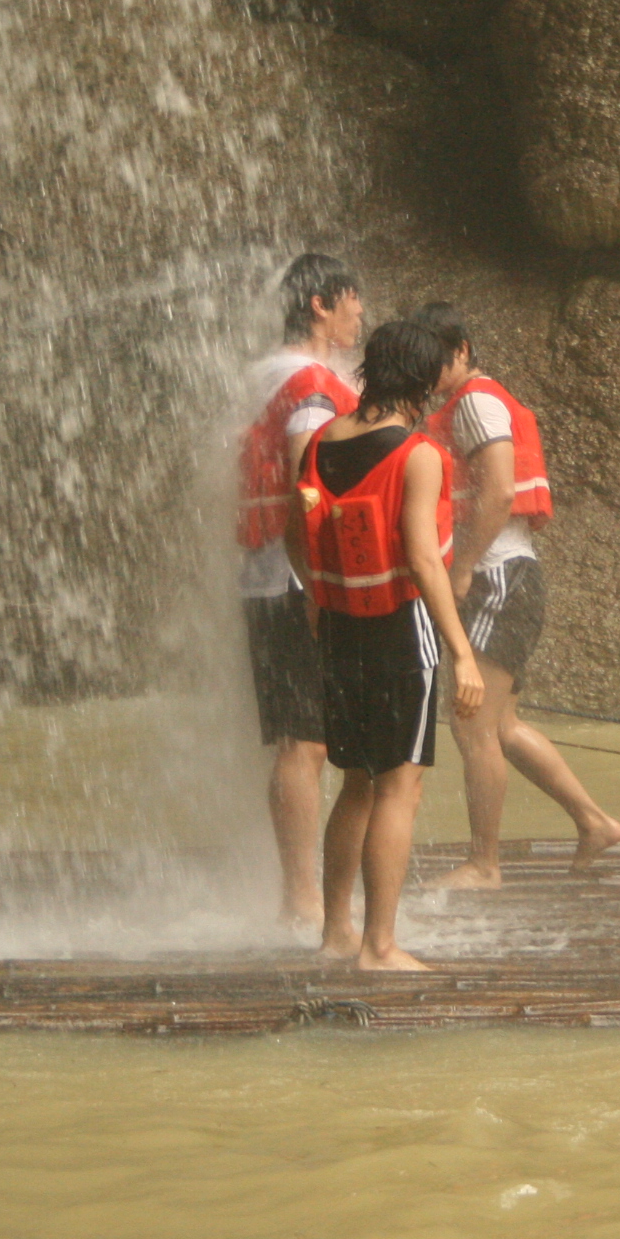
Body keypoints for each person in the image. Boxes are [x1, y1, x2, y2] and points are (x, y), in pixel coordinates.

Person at [287, 319, 485, 971]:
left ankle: (337, 932)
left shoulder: (319, 442)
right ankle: (380, 945)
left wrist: (318, 600)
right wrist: (461, 653)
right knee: (400, 789)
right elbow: (425, 562)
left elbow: (296, 534)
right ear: (423, 381)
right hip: (402, 632)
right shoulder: (417, 454)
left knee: (355, 784)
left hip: (340, 627)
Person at [408, 303, 620, 887]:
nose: (427, 373)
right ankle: (594, 821)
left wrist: (464, 568)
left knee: (470, 724)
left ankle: (485, 864)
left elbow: (500, 492)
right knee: (499, 726)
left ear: (460, 351)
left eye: (435, 359)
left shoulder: (476, 402)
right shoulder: (473, 401)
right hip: (513, 573)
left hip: (498, 575)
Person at [234, 254, 362, 926]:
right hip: (298, 578)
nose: (360, 314)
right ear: (319, 303)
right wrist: (320, 583)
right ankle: (303, 901)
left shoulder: (259, 375)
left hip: (267, 575)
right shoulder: (308, 383)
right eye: (351, 302)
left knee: (301, 737)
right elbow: (310, 477)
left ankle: (305, 895)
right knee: (307, 742)